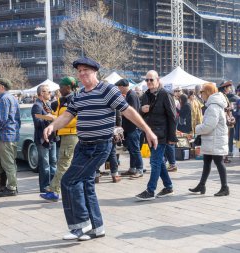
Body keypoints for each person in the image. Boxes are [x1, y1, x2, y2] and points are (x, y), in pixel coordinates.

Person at [43, 57, 157, 241]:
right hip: (83, 146)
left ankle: (81, 225)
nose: (81, 74)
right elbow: (67, 116)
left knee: (69, 181)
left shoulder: (107, 89)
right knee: (87, 185)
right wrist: (52, 126)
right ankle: (97, 228)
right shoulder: (79, 95)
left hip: (100, 146)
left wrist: (148, 130)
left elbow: (128, 111)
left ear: (94, 71)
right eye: (79, 71)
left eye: (85, 70)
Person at [136, 70, 178, 201]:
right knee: (158, 161)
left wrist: (172, 137)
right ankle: (168, 187)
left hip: (162, 134)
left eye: (151, 80)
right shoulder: (146, 95)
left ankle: (150, 190)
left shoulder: (165, 94)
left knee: (154, 162)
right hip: (149, 133)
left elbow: (173, 117)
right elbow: (139, 114)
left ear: (157, 80)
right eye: (147, 80)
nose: (148, 82)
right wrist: (141, 110)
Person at [40, 77, 78, 202]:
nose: (59, 90)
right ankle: (62, 190)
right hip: (66, 135)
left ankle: (54, 191)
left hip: (71, 135)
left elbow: (74, 120)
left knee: (63, 164)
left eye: (61, 87)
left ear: (68, 87)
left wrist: (58, 121)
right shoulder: (63, 100)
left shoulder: (74, 99)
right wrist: (52, 117)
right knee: (66, 163)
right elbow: (61, 117)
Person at [189, 83, 229, 196]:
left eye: (202, 92)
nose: (200, 94)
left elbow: (209, 126)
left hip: (215, 140)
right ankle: (201, 185)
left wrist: (197, 128)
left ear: (207, 93)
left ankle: (225, 187)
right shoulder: (213, 105)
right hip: (213, 140)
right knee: (207, 162)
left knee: (219, 162)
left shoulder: (213, 106)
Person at [0, 78, 21, 197]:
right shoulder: (13, 98)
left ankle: (12, 187)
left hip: (6, 135)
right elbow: (17, 119)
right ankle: (13, 186)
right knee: (12, 162)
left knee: (8, 163)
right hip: (12, 134)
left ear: (2, 86)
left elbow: (2, 119)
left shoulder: (3, 99)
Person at [115, 79, 144, 179]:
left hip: (133, 127)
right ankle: (132, 168)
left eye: (119, 87)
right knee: (132, 150)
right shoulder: (129, 95)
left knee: (135, 150)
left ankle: (139, 169)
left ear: (123, 86)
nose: (118, 89)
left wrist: (122, 112)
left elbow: (133, 111)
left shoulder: (131, 95)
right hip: (130, 127)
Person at [32, 84, 57, 193]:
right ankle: (44, 187)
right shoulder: (37, 105)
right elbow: (37, 120)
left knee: (53, 162)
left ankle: (53, 185)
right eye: (48, 92)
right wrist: (49, 117)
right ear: (42, 93)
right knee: (45, 164)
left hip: (52, 137)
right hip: (43, 139)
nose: (50, 93)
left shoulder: (47, 104)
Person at [218, 81, 235, 163]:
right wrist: (229, 108)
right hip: (224, 120)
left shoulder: (223, 96)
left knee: (226, 139)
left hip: (226, 119)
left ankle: (225, 156)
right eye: (228, 87)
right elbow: (223, 108)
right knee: (225, 139)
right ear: (225, 88)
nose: (230, 89)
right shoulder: (222, 96)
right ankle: (223, 157)